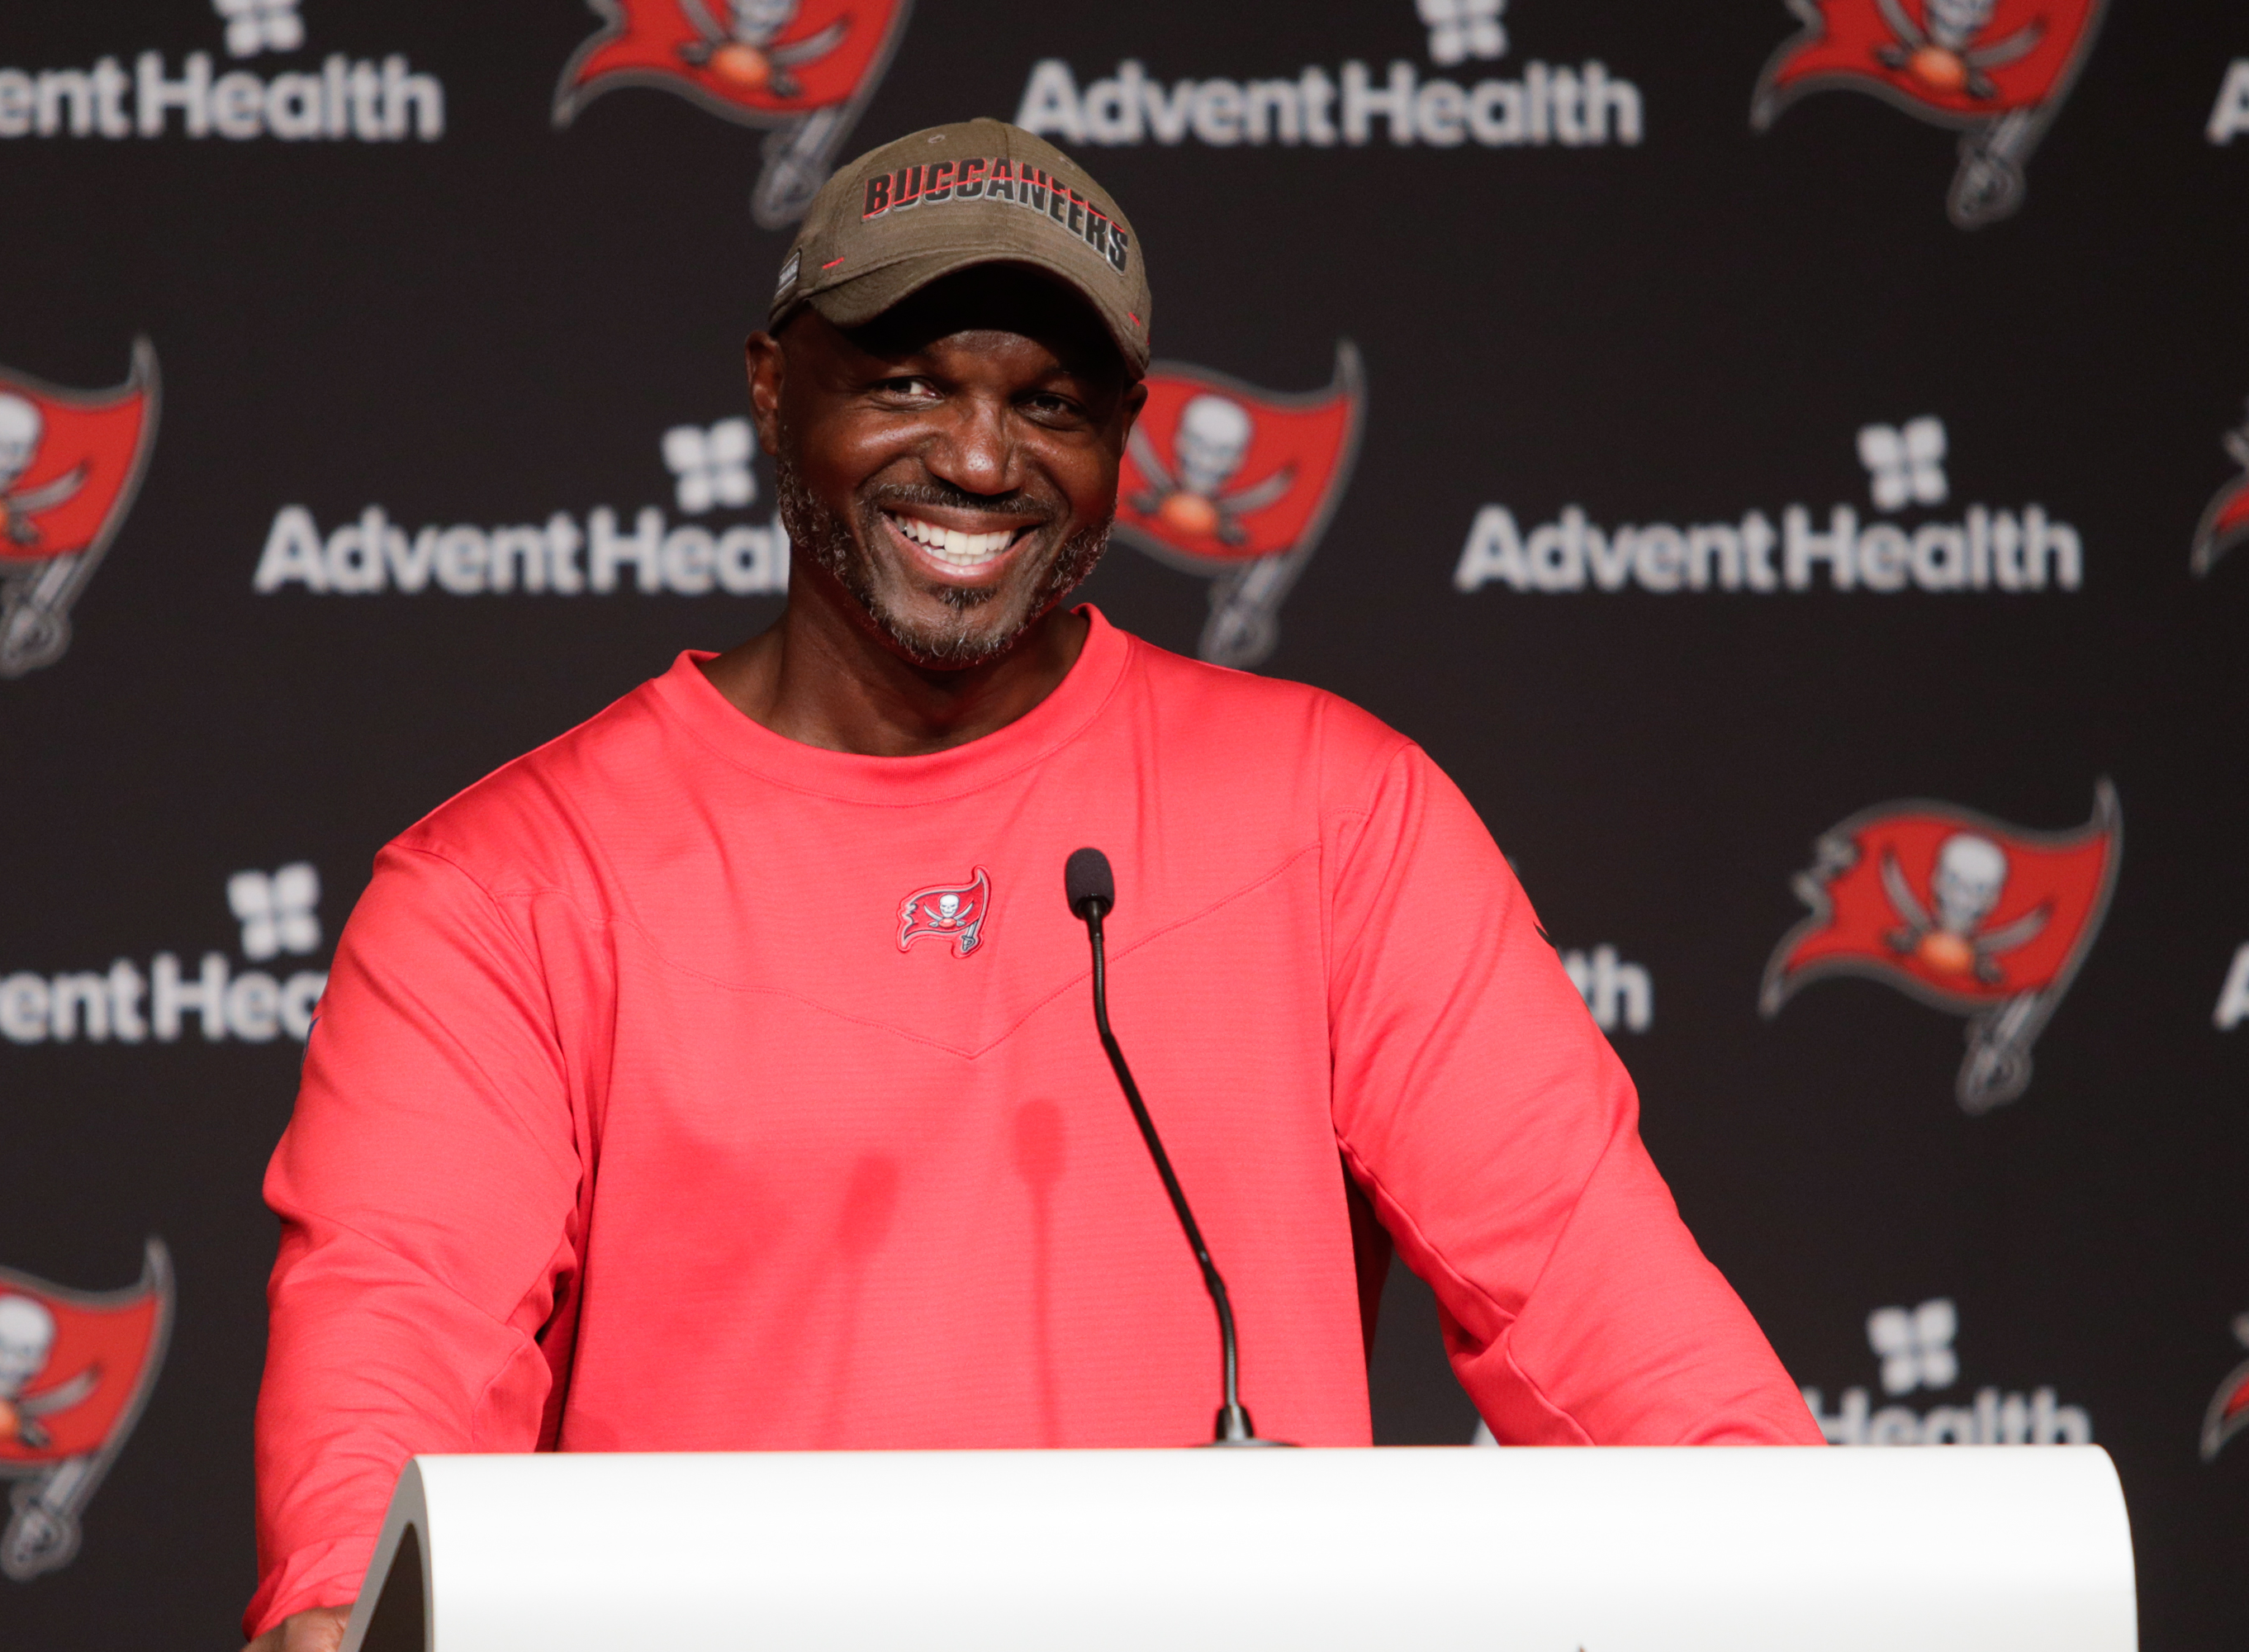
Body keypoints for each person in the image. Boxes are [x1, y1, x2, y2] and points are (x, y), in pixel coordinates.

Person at [242, 117, 1819, 1651]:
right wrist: (336, 1593)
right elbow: (402, 1341)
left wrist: (1819, 1582)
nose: (981, 458)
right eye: (910, 381)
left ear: (1124, 439)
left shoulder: (1335, 812)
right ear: (774, 385)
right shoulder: (507, 885)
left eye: (1049, 402)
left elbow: (1592, 1300)